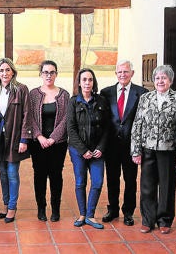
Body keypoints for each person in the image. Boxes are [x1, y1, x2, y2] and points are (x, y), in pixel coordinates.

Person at [130, 65, 176, 235]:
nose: (160, 81)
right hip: (148, 148)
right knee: (147, 186)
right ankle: (147, 219)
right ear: (154, 81)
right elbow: (137, 124)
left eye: (164, 78)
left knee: (167, 187)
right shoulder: (145, 98)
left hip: (169, 149)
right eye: (158, 78)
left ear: (171, 80)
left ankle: (164, 220)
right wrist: (135, 150)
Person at [100, 60, 148, 226]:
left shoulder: (142, 93)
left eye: (126, 72)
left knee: (130, 180)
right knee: (112, 179)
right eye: (119, 72)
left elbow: (144, 121)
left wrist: (140, 147)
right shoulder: (106, 93)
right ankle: (112, 209)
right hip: (111, 145)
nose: (122, 75)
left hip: (131, 146)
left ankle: (128, 212)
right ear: (116, 74)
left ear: (132, 73)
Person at [67, 68, 111, 230]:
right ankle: (82, 214)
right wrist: (83, 150)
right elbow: (70, 129)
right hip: (78, 151)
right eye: (84, 79)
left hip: (97, 150)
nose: (87, 83)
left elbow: (107, 128)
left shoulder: (101, 101)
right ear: (79, 82)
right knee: (80, 182)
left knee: (98, 182)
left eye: (90, 80)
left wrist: (100, 148)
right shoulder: (73, 102)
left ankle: (91, 215)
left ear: (94, 82)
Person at [0, 58, 31, 223]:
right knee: (3, 174)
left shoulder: (21, 89)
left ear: (13, 71)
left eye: (7, 70)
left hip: (14, 138)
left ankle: (12, 208)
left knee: (12, 174)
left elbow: (27, 114)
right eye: (1, 70)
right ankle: (6, 205)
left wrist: (24, 139)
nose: (4, 73)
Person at [28, 60, 70, 222]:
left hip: (57, 144)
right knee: (39, 175)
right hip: (37, 143)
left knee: (56, 175)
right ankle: (41, 208)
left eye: (52, 72)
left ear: (56, 74)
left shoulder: (64, 95)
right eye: (45, 72)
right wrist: (39, 137)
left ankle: (56, 209)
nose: (49, 75)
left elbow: (66, 119)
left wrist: (52, 138)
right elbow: (29, 117)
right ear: (40, 74)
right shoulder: (33, 94)